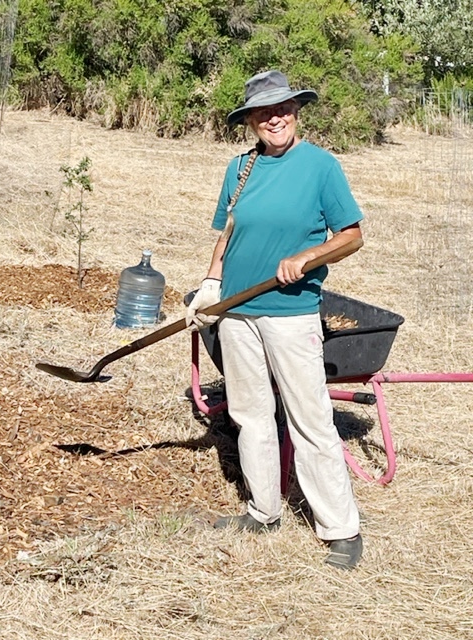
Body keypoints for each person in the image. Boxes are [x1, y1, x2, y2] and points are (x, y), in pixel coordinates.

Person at [186, 70, 364, 569]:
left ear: (296, 111)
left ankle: (341, 529)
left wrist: (308, 257)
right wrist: (210, 286)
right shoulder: (240, 167)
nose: (275, 118)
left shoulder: (320, 167)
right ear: (250, 121)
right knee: (250, 416)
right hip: (237, 313)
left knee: (309, 419)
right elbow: (228, 232)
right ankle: (263, 510)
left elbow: (351, 235)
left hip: (291, 314)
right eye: (263, 112)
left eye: (282, 108)